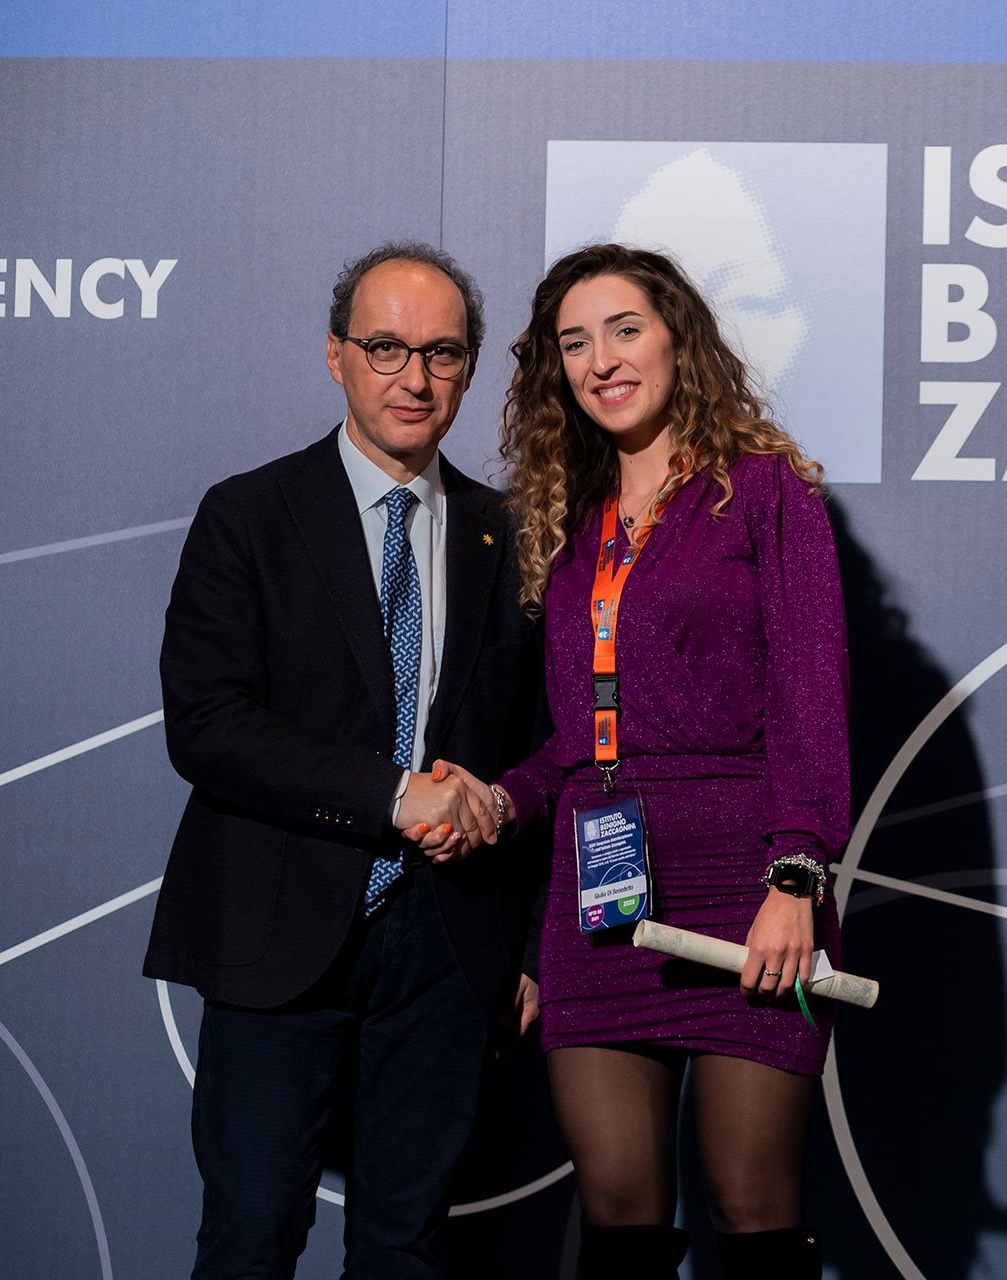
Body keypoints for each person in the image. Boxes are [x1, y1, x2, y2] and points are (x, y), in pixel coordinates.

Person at [143, 242, 545, 1279]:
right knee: (249, 1236)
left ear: (469, 367)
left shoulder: (511, 535)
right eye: (386, 348)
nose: (415, 378)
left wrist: (530, 947)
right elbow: (207, 723)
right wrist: (392, 794)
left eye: (442, 353)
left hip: (449, 945)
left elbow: (540, 753)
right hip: (278, 927)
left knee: (405, 1248)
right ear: (337, 356)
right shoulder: (249, 514)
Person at [481, 244, 847, 1280]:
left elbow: (811, 701)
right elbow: (579, 742)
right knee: (619, 1217)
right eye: (574, 343)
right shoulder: (568, 519)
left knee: (754, 1204)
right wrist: (500, 799)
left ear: (679, 339)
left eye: (625, 329)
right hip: (599, 898)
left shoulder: (767, 492)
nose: (601, 360)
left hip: (748, 882)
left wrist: (795, 878)